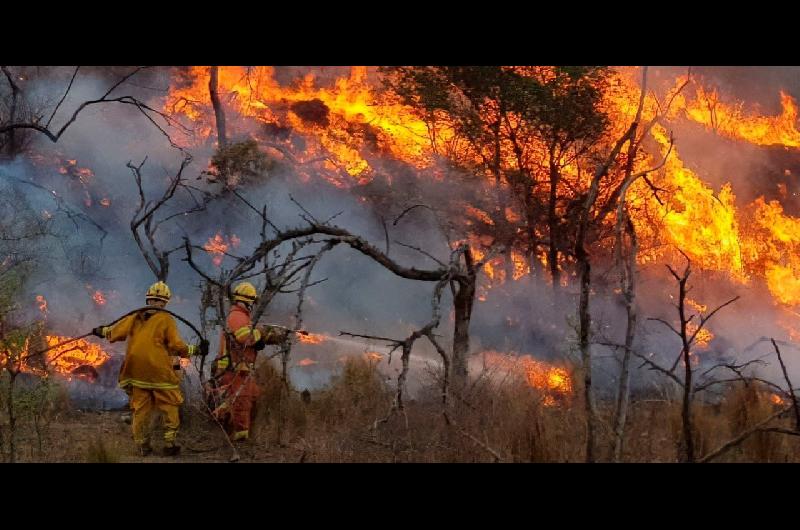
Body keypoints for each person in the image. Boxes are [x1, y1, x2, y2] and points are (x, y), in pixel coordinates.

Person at [93, 281, 209, 456]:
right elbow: (176, 346)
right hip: (159, 372)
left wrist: (101, 331)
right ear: (165, 302)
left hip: (135, 371)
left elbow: (115, 331)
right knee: (169, 404)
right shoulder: (166, 319)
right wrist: (197, 350)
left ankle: (142, 446)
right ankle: (170, 444)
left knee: (140, 409)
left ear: (148, 299)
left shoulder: (135, 315)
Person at [209, 281, 287, 441]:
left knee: (251, 396)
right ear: (246, 301)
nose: (252, 305)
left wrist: (272, 337)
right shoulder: (237, 316)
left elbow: (251, 337)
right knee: (242, 402)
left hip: (241, 368)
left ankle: (220, 413)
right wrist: (261, 332)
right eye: (252, 301)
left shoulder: (242, 316)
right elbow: (244, 337)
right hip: (234, 368)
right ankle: (240, 437)